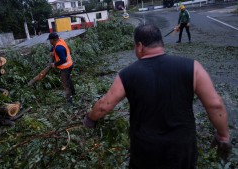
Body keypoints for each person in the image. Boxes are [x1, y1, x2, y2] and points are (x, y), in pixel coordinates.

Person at [83, 24, 231, 168]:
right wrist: (223, 136)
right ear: (161, 43)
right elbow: (215, 105)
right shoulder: (192, 67)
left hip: (145, 152)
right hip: (182, 150)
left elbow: (104, 105)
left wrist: (90, 118)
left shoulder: (127, 74)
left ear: (140, 46)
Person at [48, 32, 76, 104]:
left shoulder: (59, 48)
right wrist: (51, 51)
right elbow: (53, 47)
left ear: (53, 40)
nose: (49, 41)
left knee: (65, 84)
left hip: (65, 68)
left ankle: (70, 101)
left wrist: (55, 64)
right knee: (68, 80)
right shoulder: (60, 41)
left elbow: (63, 59)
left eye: (50, 40)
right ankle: (73, 93)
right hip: (70, 65)